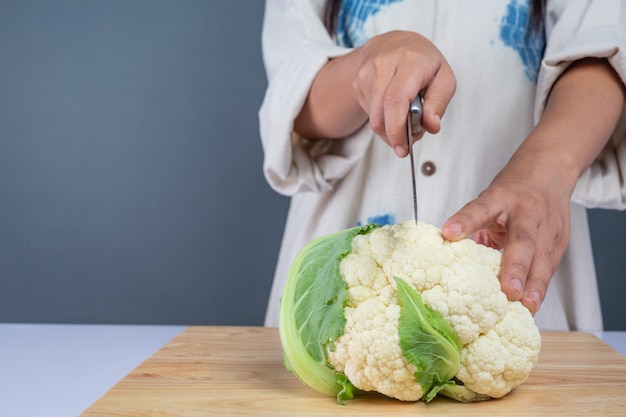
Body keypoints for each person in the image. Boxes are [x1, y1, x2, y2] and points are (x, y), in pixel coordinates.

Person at [259, 0, 626, 330]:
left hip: (521, 262)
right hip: (342, 288)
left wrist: (545, 172)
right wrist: (363, 66)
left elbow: (602, 47)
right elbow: (295, 106)